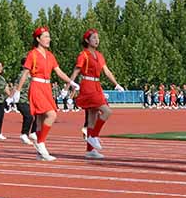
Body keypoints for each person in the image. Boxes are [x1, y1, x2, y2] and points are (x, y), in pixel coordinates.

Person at [17, 27, 80, 161]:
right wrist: (17, 91)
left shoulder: (50, 55)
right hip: (36, 86)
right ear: (38, 39)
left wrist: (70, 82)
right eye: (45, 36)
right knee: (51, 114)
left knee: (40, 121)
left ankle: (40, 153)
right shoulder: (32, 54)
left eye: (49, 36)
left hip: (47, 87)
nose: (48, 39)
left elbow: (58, 71)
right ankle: (41, 143)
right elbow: (25, 73)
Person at [68, 29, 122, 159]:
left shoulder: (99, 55)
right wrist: (67, 87)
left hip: (97, 85)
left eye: (97, 38)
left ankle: (90, 150)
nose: (97, 40)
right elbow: (76, 71)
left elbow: (106, 71)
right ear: (87, 40)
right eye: (93, 38)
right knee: (107, 111)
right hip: (87, 85)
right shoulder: (83, 55)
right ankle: (93, 136)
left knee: (92, 117)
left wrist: (116, 84)